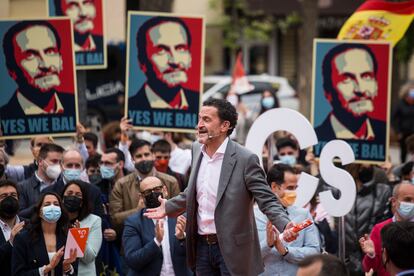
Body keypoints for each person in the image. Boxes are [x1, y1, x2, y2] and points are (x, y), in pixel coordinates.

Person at [145, 98, 298, 275]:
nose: (199, 125)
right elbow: (194, 191)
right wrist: (168, 206)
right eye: (199, 118)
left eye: (207, 120)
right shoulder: (196, 149)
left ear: (225, 126)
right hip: (201, 247)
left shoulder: (245, 159)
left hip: (233, 250)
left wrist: (285, 224)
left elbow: (267, 199)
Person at [254, 163, 320, 275]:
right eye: (290, 188)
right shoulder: (253, 216)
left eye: (295, 187)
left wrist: (286, 251)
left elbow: (314, 252)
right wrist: (268, 244)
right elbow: (247, 257)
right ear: (274, 186)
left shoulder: (303, 215)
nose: (294, 193)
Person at [1, 20, 75, 117]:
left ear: (60, 59)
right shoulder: (4, 118)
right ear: (11, 70)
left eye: (50, 51)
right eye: (30, 55)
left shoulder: (73, 106)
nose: (46, 65)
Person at [315, 43, 385, 142]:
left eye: (366, 76)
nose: (360, 89)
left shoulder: (383, 135)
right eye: (347, 78)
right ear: (328, 91)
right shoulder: (316, 138)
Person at [123, 176, 192, 275]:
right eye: (147, 192)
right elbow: (133, 261)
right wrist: (156, 242)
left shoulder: (181, 216)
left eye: (156, 189)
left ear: (165, 190)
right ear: (141, 197)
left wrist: (182, 238)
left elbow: (198, 253)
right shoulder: (134, 222)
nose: (153, 194)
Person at [128, 16, 199, 112]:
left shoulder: (198, 105)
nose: (174, 61)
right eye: (161, 50)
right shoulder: (132, 108)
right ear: (142, 62)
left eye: (180, 48)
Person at [109, 139, 180, 233]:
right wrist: (137, 210)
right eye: (138, 156)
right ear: (132, 159)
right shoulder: (121, 185)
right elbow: (114, 219)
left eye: (146, 154)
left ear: (153, 155)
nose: (143, 159)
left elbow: (179, 212)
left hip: (167, 233)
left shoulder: (170, 182)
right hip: (136, 235)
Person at [12, 192, 77, 275]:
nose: (52, 207)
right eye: (47, 204)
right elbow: (17, 273)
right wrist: (47, 268)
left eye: (56, 204)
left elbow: (75, 271)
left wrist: (67, 268)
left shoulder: (68, 237)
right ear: (39, 212)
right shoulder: (23, 238)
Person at [343, 163, 391, 274]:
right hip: (346, 257)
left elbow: (381, 223)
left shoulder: (382, 191)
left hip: (371, 256)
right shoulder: (341, 191)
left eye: (370, 167)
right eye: (363, 167)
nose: (367, 169)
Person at [359, 182, 414, 276]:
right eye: (407, 199)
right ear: (393, 201)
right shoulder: (380, 229)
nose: (412, 204)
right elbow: (369, 269)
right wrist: (371, 255)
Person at [42, 148, 105, 219]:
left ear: (82, 167)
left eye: (77, 165)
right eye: (69, 165)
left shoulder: (94, 192)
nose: (73, 168)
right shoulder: (48, 192)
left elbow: (99, 219)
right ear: (61, 166)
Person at [61, 180, 102, 275]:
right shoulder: (56, 220)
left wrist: (77, 236)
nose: (73, 197)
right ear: (62, 198)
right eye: (70, 193)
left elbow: (89, 258)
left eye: (78, 195)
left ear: (82, 202)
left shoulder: (94, 220)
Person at [19, 143, 65, 218]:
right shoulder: (22, 187)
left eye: (61, 162)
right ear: (40, 161)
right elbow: (19, 216)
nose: (58, 166)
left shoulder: (65, 185)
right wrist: (40, 206)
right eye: (54, 161)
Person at [0, 180, 26, 276]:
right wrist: (10, 242)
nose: (9, 199)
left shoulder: (30, 225)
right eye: (4, 196)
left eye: (13, 195)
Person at [392, 81, 414, 163]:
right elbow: (394, 118)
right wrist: (398, 131)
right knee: (403, 151)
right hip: (403, 133)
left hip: (413, 132)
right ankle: (403, 167)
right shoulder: (400, 105)